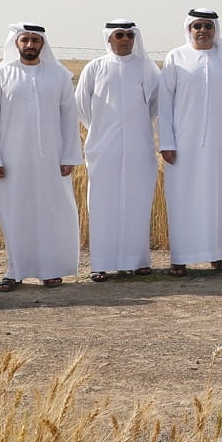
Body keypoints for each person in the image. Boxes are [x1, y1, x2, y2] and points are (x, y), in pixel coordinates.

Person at [0, 24, 82, 291]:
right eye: (25, 39)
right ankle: (15, 271)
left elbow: (69, 118)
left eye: (35, 40)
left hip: (52, 158)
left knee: (52, 213)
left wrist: (69, 154)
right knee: (15, 213)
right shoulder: (1, 75)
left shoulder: (59, 75)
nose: (30, 44)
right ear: (16, 43)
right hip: (11, 159)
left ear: (42, 44)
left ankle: (50, 270)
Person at [159, 9, 222, 276]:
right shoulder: (176, 57)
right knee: (182, 198)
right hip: (183, 143)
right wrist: (166, 141)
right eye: (197, 25)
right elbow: (164, 102)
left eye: (207, 26)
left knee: (220, 197)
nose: (202, 30)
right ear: (189, 29)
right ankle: (180, 257)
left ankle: (219, 255)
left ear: (215, 29)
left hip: (221, 143)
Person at [76, 19, 159, 281]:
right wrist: (100, 129)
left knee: (138, 202)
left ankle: (138, 261)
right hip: (103, 146)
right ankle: (100, 263)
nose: (124, 39)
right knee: (102, 203)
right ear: (109, 38)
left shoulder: (147, 68)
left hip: (139, 145)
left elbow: (157, 105)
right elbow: (81, 104)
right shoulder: (95, 68)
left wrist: (138, 128)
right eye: (119, 35)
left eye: (129, 35)